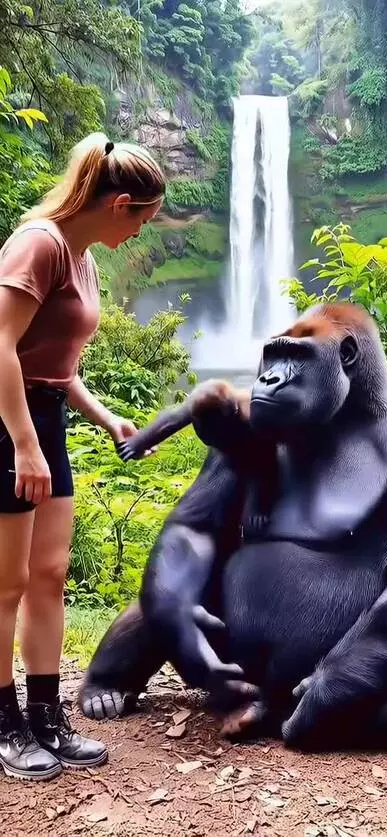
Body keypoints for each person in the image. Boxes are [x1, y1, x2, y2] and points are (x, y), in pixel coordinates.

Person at [0, 132, 166, 781]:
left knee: (49, 572)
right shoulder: (38, 243)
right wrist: (21, 443)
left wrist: (102, 415)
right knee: (7, 583)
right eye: (144, 220)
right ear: (120, 203)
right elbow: (3, 345)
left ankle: (45, 713)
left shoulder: (82, 254)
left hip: (43, 418)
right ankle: (5, 721)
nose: (141, 234)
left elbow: (55, 364)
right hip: (9, 421)